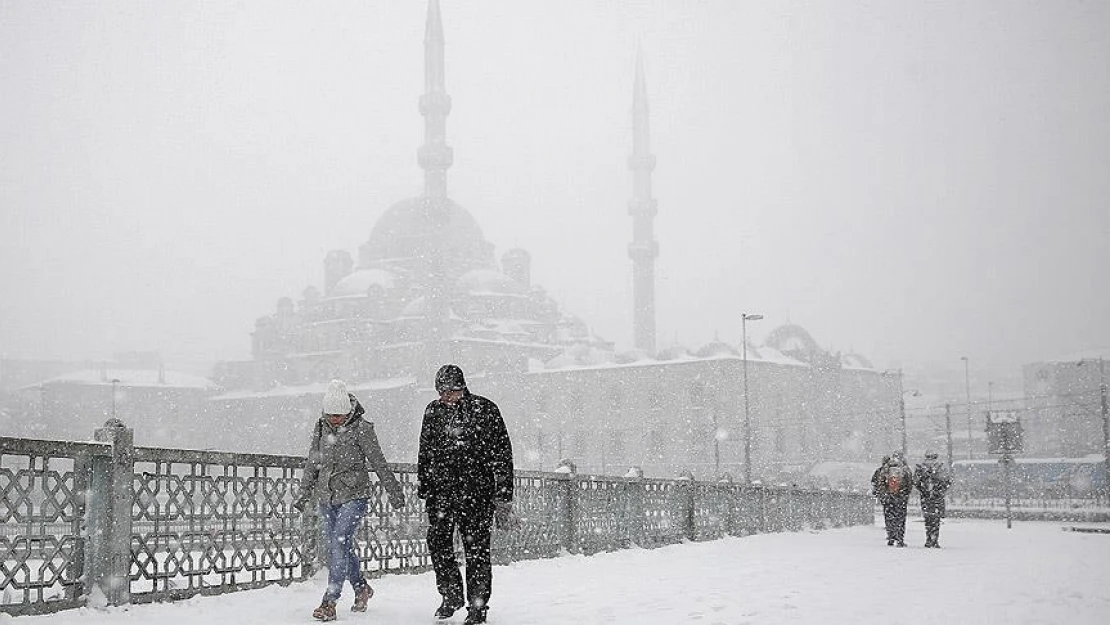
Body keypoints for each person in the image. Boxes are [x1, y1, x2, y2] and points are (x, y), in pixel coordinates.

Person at [294, 379, 406, 622]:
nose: (334, 419)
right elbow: (313, 462)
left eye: (339, 415)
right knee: (341, 546)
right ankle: (361, 588)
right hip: (327, 496)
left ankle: (329, 601)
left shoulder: (362, 429)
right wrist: (303, 494)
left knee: (339, 542)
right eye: (330, 414)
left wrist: (394, 492)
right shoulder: (321, 427)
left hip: (355, 495)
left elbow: (378, 461)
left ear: (348, 411)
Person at [418, 364, 514, 625]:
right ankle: (450, 595)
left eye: (451, 391)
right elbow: (425, 450)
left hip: (477, 493)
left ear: (462, 388)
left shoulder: (485, 409)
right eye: (442, 392)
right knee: (438, 543)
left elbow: (502, 453)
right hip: (441, 493)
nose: (446, 397)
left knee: (477, 550)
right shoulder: (433, 411)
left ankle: (477, 605)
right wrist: (425, 484)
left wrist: (503, 493)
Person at [872, 451, 914, 547]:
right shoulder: (905, 469)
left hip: (888, 498)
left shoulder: (886, 468)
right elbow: (910, 483)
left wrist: (884, 494)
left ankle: (891, 537)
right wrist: (905, 494)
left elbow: (880, 482)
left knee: (889, 517)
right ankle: (900, 539)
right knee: (900, 518)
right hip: (901, 498)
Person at [914, 451, 952, 548]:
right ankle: (935, 539)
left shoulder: (921, 467)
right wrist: (940, 490)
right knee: (936, 519)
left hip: (926, 497)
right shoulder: (941, 467)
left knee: (928, 519)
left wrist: (923, 491)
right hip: (937, 497)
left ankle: (928, 539)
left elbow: (916, 482)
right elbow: (948, 481)